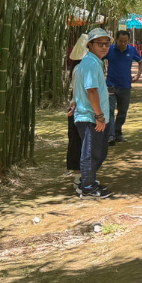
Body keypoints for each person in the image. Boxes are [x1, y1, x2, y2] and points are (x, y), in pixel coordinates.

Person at [74, 28, 114, 199]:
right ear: (90, 45)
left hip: (96, 116)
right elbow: (91, 91)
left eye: (107, 44)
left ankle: (87, 181)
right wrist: (99, 115)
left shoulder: (96, 62)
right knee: (91, 153)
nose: (104, 47)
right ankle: (87, 187)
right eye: (100, 44)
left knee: (99, 152)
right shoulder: (90, 63)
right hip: (90, 117)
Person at [104, 30, 142, 145]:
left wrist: (138, 75)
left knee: (122, 111)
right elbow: (99, 60)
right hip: (111, 85)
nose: (123, 43)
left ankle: (118, 133)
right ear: (116, 40)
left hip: (125, 85)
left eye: (125, 41)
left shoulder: (132, 50)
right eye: (121, 41)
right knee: (110, 111)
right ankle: (110, 135)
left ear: (128, 40)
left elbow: (141, 63)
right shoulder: (110, 49)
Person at [66, 34, 89, 189]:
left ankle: (82, 177)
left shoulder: (80, 67)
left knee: (80, 143)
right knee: (80, 144)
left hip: (79, 108)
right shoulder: (81, 68)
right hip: (80, 109)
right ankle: (79, 178)